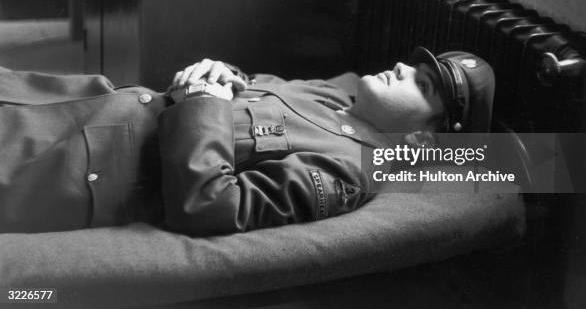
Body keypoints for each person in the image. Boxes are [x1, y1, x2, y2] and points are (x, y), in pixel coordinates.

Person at [0, 47, 494, 236]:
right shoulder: (333, 93)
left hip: (75, 165)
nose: (404, 68)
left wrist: (203, 100)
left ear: (421, 136)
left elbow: (211, 205)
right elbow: (257, 83)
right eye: (418, 65)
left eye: (423, 85)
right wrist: (223, 73)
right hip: (77, 101)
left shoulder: (347, 171)